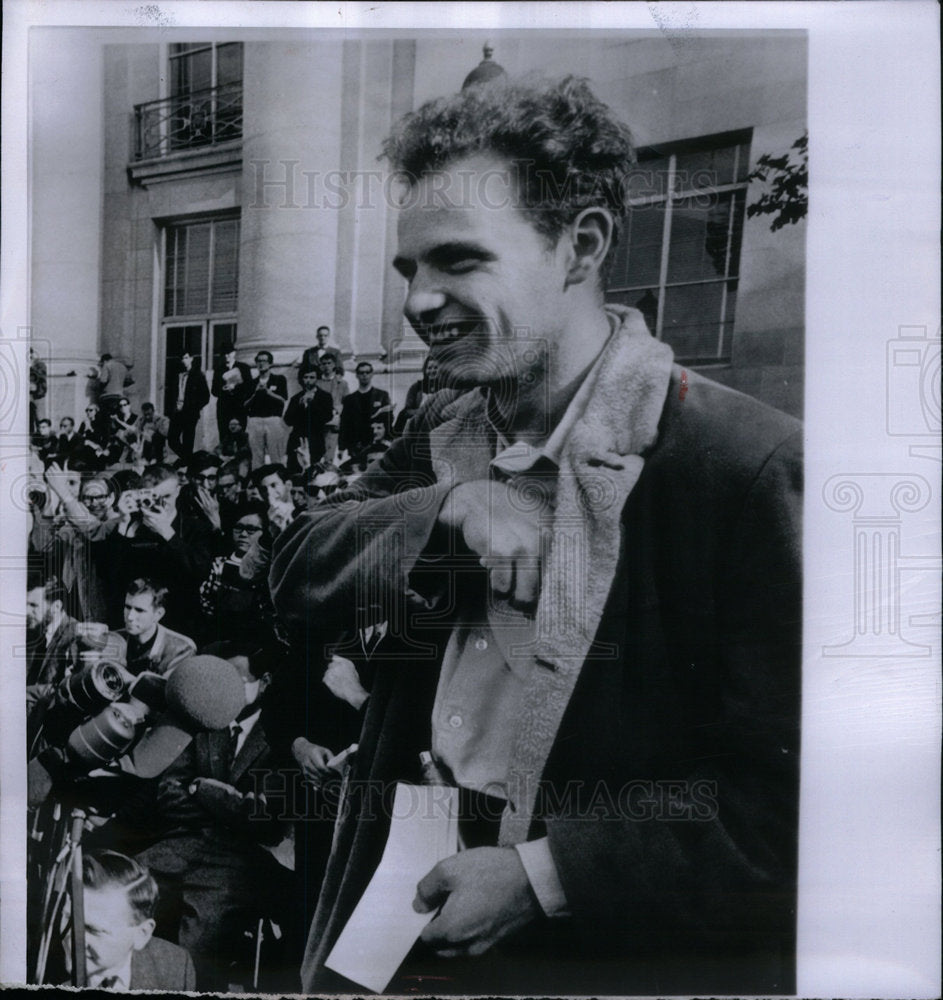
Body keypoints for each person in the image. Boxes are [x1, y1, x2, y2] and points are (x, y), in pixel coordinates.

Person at [270, 75, 802, 995]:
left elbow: (792, 812)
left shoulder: (742, 465)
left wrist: (539, 878)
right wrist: (449, 511)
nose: (418, 301)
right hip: (393, 929)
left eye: (458, 262)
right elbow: (291, 573)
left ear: (580, 245)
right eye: (409, 271)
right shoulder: (439, 432)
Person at [135, 644, 293, 991]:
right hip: (184, 842)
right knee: (118, 889)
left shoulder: (282, 738)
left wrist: (202, 789)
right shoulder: (204, 717)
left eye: (236, 679)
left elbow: (265, 821)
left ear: (263, 682)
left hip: (241, 860)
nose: (223, 689)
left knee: (200, 945)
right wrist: (223, 803)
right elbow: (169, 794)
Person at [103, 463, 216, 637]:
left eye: (167, 496)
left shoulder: (196, 528)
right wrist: (123, 524)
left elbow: (200, 572)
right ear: (140, 494)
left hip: (180, 623)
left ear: (178, 490)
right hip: (135, 625)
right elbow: (110, 577)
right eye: (153, 497)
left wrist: (168, 533)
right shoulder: (129, 525)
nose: (161, 504)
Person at [57, 850, 196, 990]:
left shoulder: (175, 965)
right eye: (69, 919)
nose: (72, 940)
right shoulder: (38, 972)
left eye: (94, 930)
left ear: (142, 934)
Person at [199, 503, 279, 647]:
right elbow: (206, 603)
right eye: (239, 528)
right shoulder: (218, 564)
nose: (243, 534)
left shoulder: (272, 569)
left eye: (251, 530)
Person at [111, 578, 196, 677]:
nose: (130, 617)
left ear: (158, 614)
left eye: (139, 610)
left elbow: (168, 691)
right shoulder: (112, 639)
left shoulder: (182, 649)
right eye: (128, 607)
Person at [25, 573, 79, 688]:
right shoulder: (44, 633)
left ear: (56, 607)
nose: (26, 612)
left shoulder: (76, 636)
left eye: (34, 605)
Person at [338, 361, 392, 459]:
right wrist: (341, 447)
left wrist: (387, 440)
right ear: (357, 375)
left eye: (367, 372)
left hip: (375, 442)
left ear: (372, 374)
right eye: (361, 373)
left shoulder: (382, 395)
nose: (364, 375)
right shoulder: (349, 399)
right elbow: (344, 423)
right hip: (356, 444)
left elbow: (388, 419)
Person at [244, 350, 289, 468]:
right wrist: (255, 394)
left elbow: (283, 399)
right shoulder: (252, 382)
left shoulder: (279, 379)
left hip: (273, 420)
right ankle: (258, 482)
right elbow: (245, 404)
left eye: (264, 361)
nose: (261, 364)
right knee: (257, 455)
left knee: (276, 454)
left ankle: (278, 479)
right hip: (255, 420)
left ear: (270, 364)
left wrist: (268, 392)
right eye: (259, 361)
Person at [284, 370, 334, 472]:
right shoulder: (296, 398)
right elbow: (288, 420)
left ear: (317, 379)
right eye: (306, 377)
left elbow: (327, 417)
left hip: (316, 440)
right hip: (297, 441)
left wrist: (313, 403)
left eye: (312, 377)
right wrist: (300, 405)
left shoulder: (325, 396)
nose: (308, 380)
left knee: (314, 473)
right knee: (295, 472)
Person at [167, 352, 210, 461]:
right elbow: (171, 394)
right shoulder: (176, 374)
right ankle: (189, 460)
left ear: (191, 359)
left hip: (190, 413)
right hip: (177, 412)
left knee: (188, 441)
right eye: (181, 358)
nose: (183, 361)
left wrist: (194, 408)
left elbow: (205, 396)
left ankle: (187, 464)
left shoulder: (198, 375)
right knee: (172, 440)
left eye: (186, 358)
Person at [211, 342, 253, 436]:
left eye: (229, 353)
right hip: (224, 408)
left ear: (234, 353)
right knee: (224, 437)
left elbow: (250, 387)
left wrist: (235, 387)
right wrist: (223, 388)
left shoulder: (244, 368)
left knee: (240, 436)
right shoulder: (218, 370)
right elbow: (214, 391)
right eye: (224, 354)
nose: (227, 356)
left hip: (239, 407)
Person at [393, 354, 441, 435]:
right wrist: (421, 412)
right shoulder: (416, 387)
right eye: (429, 368)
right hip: (418, 419)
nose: (432, 371)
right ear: (424, 370)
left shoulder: (445, 386)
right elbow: (408, 409)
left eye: (435, 368)